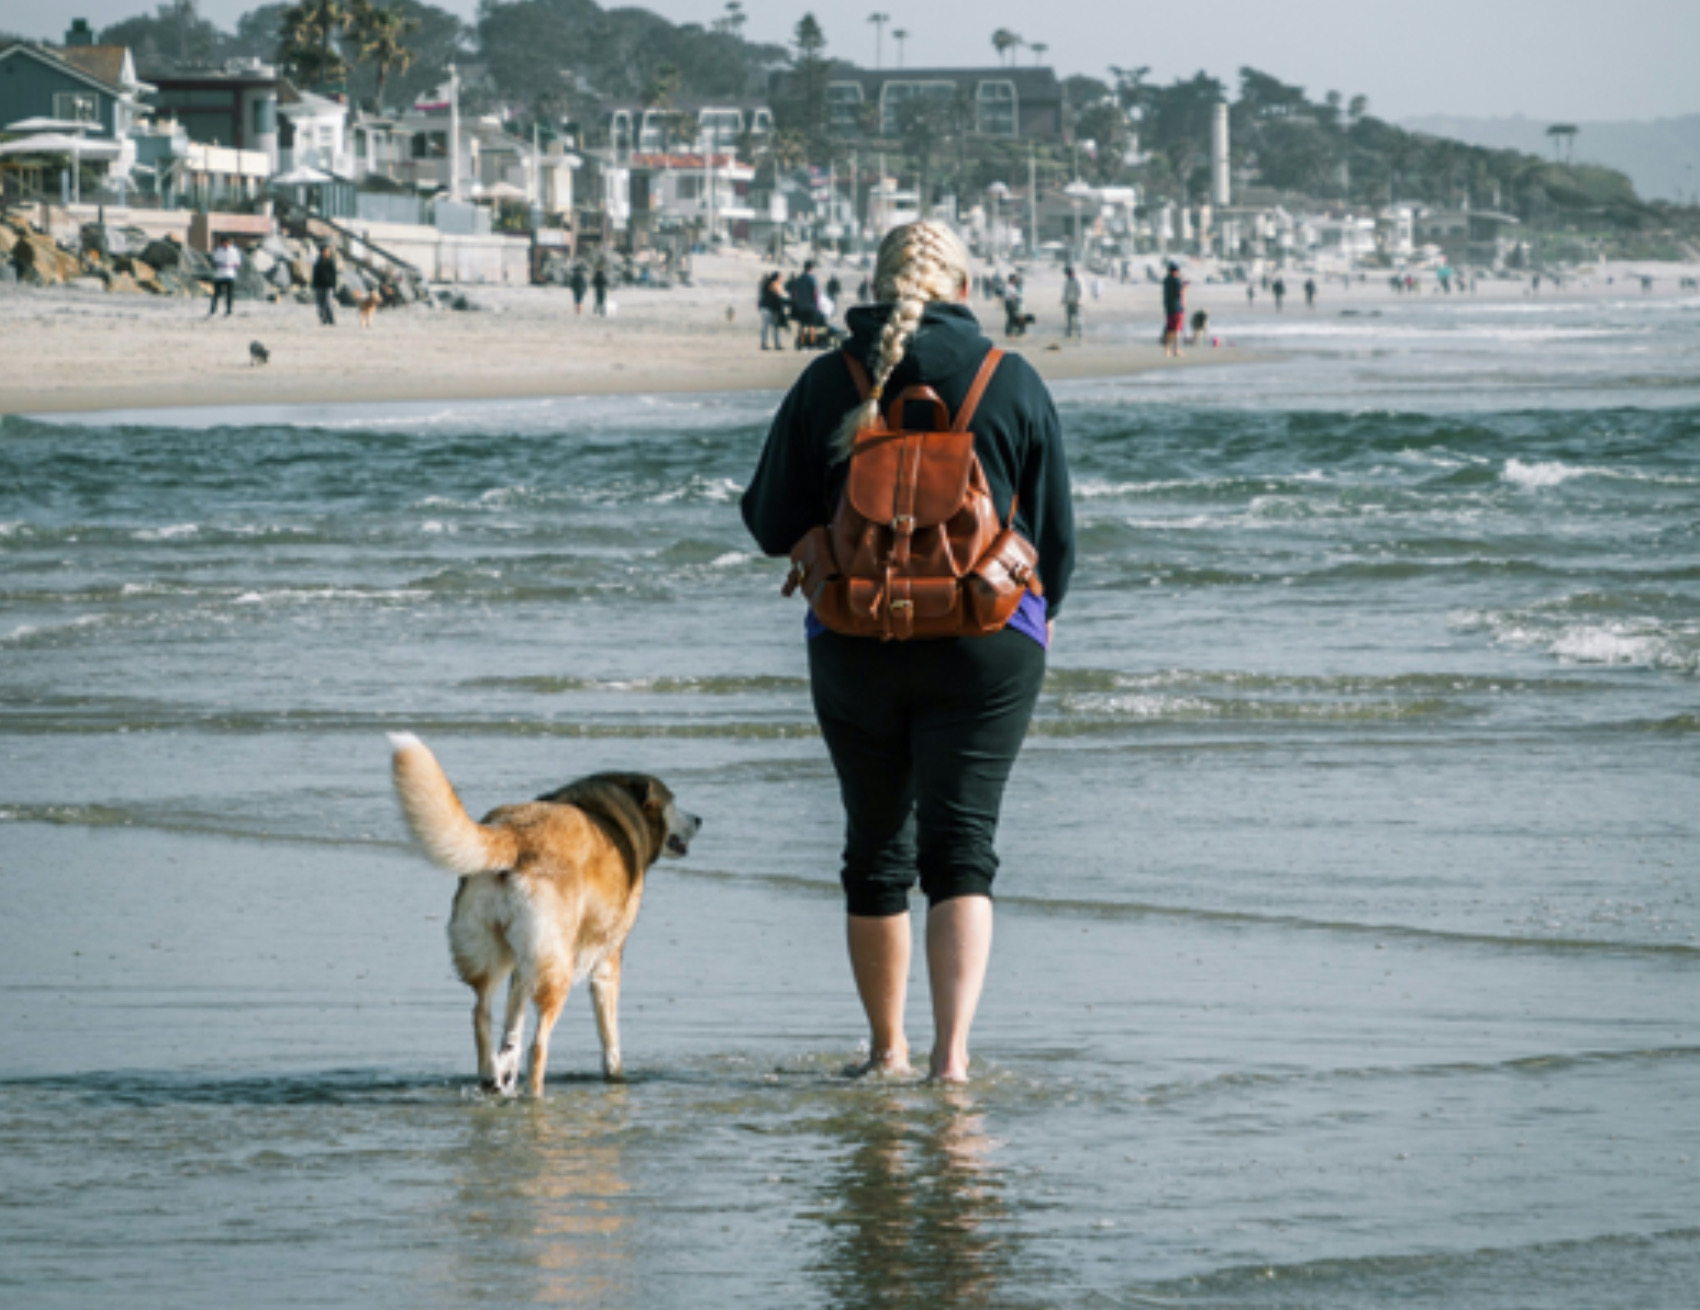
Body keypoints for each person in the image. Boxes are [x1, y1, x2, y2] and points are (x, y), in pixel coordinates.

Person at [739, 220, 1075, 1084]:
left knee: (875, 849)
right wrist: (1034, 626)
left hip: (854, 637)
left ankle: (885, 1055)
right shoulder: (1013, 380)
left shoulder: (829, 381)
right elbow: (1057, 540)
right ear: (965, 287)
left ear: (880, 285)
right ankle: (952, 1061)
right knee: (963, 847)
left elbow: (769, 521)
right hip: (988, 644)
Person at [208, 235, 240, 318]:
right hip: (220, 274)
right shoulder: (218, 251)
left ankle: (229, 310)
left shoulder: (234, 251)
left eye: (227, 242)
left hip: (230, 274)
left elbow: (237, 263)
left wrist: (230, 265)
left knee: (229, 294)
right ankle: (213, 310)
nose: (226, 244)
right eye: (224, 242)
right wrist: (221, 265)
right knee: (216, 294)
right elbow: (215, 262)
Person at [759, 270, 789, 350]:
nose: (782, 279)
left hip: (766, 308)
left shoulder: (767, 285)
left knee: (766, 327)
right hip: (771, 309)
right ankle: (776, 344)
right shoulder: (776, 285)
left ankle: (764, 343)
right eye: (780, 277)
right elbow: (782, 296)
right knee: (775, 327)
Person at [1161, 261, 1185, 357]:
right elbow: (1180, 294)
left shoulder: (1166, 280)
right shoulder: (1176, 280)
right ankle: (1176, 350)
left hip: (1168, 307)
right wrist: (1185, 287)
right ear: (1175, 271)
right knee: (1177, 330)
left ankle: (1167, 350)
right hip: (1177, 308)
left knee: (1169, 329)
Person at [312, 243, 338, 327]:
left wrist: (334, 286)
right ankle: (323, 319)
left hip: (328, 286)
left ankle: (331, 319)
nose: (327, 253)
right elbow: (315, 274)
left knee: (328, 303)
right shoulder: (318, 262)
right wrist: (314, 285)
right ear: (322, 252)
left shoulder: (331, 262)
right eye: (326, 251)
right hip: (319, 286)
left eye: (328, 251)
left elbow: (334, 275)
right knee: (320, 304)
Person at [1062, 266, 1083, 339]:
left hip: (1075, 302)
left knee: (1077, 318)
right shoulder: (1067, 282)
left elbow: (1079, 292)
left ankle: (1079, 331)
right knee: (1069, 318)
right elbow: (1065, 292)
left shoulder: (1076, 282)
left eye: (1069, 274)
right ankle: (1069, 332)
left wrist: (1078, 300)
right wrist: (1064, 300)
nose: (1068, 275)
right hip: (1069, 302)